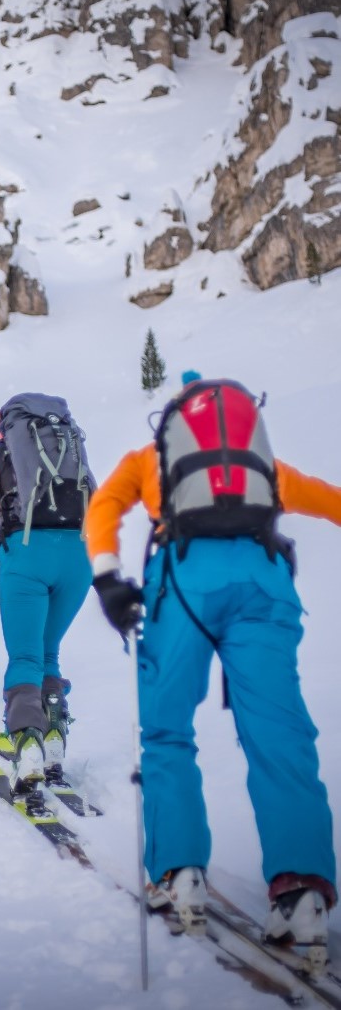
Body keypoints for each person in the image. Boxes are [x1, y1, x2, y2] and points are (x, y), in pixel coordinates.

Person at [85, 371, 340, 958]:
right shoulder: (261, 470)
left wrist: (108, 579)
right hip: (264, 583)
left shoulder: (149, 459)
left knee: (167, 730)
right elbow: (331, 501)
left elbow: (104, 507)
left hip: (184, 585)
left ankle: (179, 873)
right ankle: (302, 891)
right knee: (280, 733)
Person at [0, 394, 95, 785]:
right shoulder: (71, 444)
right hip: (79, 556)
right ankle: (54, 734)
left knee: (24, 657)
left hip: (26, 555)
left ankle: (27, 745)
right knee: (47, 651)